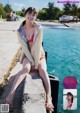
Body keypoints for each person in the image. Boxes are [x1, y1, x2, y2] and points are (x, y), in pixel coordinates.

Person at [5, 7, 54, 111]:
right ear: (25, 14)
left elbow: (37, 46)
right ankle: (10, 96)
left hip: (39, 54)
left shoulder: (39, 28)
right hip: (27, 55)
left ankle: (49, 98)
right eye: (29, 13)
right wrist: (31, 61)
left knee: (43, 70)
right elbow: (24, 48)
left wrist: (36, 63)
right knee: (26, 69)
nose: (31, 16)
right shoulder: (19, 31)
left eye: (34, 15)